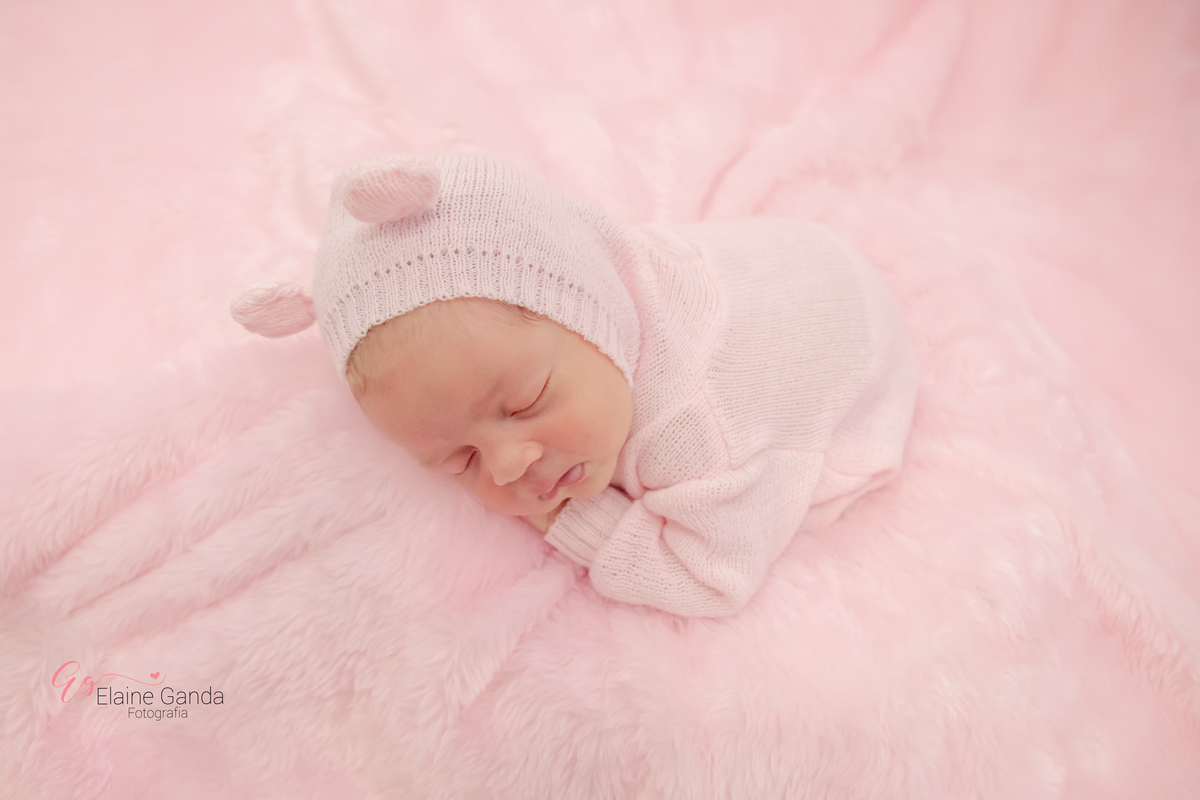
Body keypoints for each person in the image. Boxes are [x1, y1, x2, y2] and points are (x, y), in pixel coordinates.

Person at [232, 153, 918, 617]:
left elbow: (714, 581)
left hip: (861, 353)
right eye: (459, 461)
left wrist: (571, 521)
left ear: (591, 308)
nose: (508, 465)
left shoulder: (698, 426)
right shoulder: (593, 294)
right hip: (788, 250)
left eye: (526, 403)